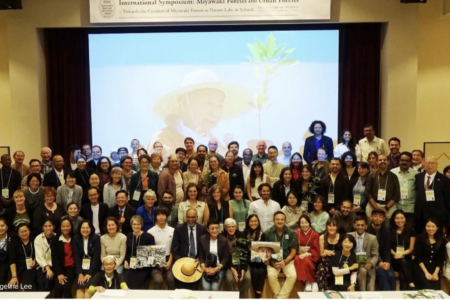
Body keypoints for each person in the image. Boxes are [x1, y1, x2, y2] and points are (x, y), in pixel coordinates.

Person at [262, 211, 297, 299]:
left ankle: (280, 298)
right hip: (272, 260)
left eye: (282, 219)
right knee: (271, 275)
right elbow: (264, 252)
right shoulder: (267, 233)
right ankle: (280, 297)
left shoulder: (291, 233)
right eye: (277, 219)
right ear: (274, 220)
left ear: (285, 221)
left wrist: (285, 261)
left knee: (293, 275)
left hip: (287, 260)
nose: (280, 221)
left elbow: (293, 251)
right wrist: (272, 262)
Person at [171, 208, 208, 289]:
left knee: (193, 288)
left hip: (196, 262)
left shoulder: (202, 229)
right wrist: (179, 262)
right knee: (181, 288)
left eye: (193, 217)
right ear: (185, 217)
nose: (190, 219)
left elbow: (205, 248)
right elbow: (174, 248)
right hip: (182, 262)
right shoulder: (178, 229)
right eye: (188, 217)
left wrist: (200, 260)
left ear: (197, 217)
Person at [414, 156, 450, 233]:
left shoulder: (444, 179)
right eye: (428, 163)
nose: (430, 165)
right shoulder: (418, 177)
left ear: (437, 164)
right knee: (421, 237)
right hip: (420, 215)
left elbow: (447, 199)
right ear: (423, 164)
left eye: (432, 163)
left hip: (436, 215)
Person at [365, 154, 400, 226]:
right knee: (371, 228)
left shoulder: (393, 176)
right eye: (380, 160)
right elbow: (367, 193)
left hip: (389, 206)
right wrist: (376, 208)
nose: (382, 161)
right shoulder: (372, 175)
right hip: (373, 205)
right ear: (377, 162)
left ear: (388, 162)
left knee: (388, 228)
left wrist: (386, 208)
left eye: (384, 160)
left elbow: (397, 195)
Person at [366, 208, 395, 291]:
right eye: (375, 216)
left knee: (390, 275)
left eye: (380, 216)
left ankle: (393, 297)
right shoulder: (367, 231)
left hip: (383, 259)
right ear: (371, 217)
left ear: (384, 219)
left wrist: (388, 262)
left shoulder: (386, 232)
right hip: (371, 260)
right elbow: (369, 251)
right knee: (382, 275)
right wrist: (379, 262)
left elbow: (387, 249)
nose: (378, 218)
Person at [122, 215, 155, 289]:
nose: (136, 226)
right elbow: (127, 251)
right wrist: (126, 261)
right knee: (126, 277)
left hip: (144, 267)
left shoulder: (149, 237)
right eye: (134, 224)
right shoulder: (129, 236)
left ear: (142, 225)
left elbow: (152, 255)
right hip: (131, 265)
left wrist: (143, 265)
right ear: (131, 225)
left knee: (139, 280)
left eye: (138, 224)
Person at [348, 215, 379, 291]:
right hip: (352, 265)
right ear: (354, 226)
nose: (360, 227)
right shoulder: (349, 236)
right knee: (362, 271)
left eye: (362, 225)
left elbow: (375, 255)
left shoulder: (372, 238)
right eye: (358, 225)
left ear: (366, 226)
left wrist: (371, 264)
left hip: (367, 267)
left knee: (371, 291)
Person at [148, 206, 176, 290]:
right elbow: (149, 251)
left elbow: (174, 248)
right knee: (158, 280)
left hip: (169, 258)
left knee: (171, 279)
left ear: (167, 216)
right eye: (159, 215)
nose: (161, 217)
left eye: (163, 215)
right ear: (155, 217)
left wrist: (170, 262)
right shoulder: (150, 232)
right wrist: (157, 262)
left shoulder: (173, 230)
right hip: (154, 261)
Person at [221, 218, 250, 298]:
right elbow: (224, 256)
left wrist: (243, 269)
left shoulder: (241, 236)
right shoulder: (222, 237)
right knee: (230, 279)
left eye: (232, 227)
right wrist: (233, 270)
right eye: (228, 227)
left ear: (236, 227)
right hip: (228, 264)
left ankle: (242, 297)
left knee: (247, 278)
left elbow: (246, 253)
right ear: (225, 228)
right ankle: (232, 298)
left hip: (242, 263)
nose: (231, 229)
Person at [198, 219, 229, 291]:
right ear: (208, 229)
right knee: (206, 287)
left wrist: (217, 269)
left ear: (219, 228)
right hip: (206, 267)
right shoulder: (202, 239)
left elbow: (225, 258)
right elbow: (201, 256)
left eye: (216, 228)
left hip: (219, 267)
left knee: (214, 288)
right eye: (212, 228)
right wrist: (205, 269)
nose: (214, 230)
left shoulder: (223, 240)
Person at [73, 220, 101, 298]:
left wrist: (89, 274)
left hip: (93, 268)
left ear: (91, 228)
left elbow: (96, 258)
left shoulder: (96, 238)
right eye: (83, 228)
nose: (85, 230)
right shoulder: (76, 238)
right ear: (79, 229)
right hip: (81, 268)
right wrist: (80, 273)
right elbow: (76, 257)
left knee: (88, 290)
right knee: (80, 289)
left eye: (87, 228)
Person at [413, 218, 445, 289]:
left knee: (436, 290)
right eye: (428, 226)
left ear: (437, 228)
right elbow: (418, 257)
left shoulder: (441, 240)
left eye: (433, 226)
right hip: (421, 267)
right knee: (427, 287)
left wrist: (436, 273)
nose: (430, 229)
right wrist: (426, 273)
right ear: (425, 227)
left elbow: (440, 259)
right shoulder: (420, 238)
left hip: (434, 268)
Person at [389, 209, 416, 290]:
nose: (399, 220)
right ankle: (411, 283)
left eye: (402, 218)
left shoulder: (411, 231)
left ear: (405, 219)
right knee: (402, 261)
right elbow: (388, 247)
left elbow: (411, 248)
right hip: (394, 258)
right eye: (397, 218)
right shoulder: (390, 231)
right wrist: (396, 254)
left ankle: (403, 296)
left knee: (403, 275)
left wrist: (402, 254)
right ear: (393, 220)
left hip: (407, 257)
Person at [51, 216, 76, 298]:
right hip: (60, 268)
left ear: (71, 226)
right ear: (60, 227)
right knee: (58, 287)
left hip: (71, 267)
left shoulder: (75, 238)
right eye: (63, 226)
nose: (66, 228)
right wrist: (59, 273)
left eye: (68, 226)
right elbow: (54, 258)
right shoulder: (55, 239)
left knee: (66, 286)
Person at [391, 152, 418, 224]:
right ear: (399, 161)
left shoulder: (416, 174)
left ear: (411, 162)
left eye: (407, 160)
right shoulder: (392, 172)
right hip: (395, 207)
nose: (404, 162)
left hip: (410, 207)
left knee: (409, 229)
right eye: (402, 160)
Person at [294, 214, 320, 292]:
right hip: (299, 254)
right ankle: (307, 281)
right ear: (299, 224)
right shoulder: (296, 233)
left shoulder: (315, 234)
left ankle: (312, 281)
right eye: (302, 223)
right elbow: (294, 246)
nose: (304, 225)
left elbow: (316, 249)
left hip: (311, 255)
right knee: (297, 259)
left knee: (307, 260)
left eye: (306, 222)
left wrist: (306, 254)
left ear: (309, 223)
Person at [8, 223, 36, 290]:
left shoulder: (34, 240)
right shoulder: (13, 243)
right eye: (21, 232)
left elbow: (39, 254)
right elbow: (12, 260)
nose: (24, 233)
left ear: (29, 231)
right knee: (11, 287)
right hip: (17, 267)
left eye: (25, 231)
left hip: (30, 267)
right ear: (18, 233)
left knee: (30, 287)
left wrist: (35, 261)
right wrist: (14, 276)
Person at [316, 218, 342, 291]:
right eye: (329, 226)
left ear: (337, 227)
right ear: (326, 226)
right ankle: (323, 292)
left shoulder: (341, 237)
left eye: (334, 226)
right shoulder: (322, 237)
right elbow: (321, 254)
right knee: (321, 270)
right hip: (326, 262)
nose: (331, 228)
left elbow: (343, 252)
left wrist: (330, 252)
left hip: (338, 262)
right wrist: (325, 252)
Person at [244, 214, 265, 298]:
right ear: (248, 222)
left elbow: (265, 249)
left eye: (255, 221)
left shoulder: (262, 234)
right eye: (251, 221)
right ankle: (256, 295)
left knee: (261, 271)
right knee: (254, 271)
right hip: (249, 260)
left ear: (258, 222)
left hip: (260, 259)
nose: (253, 223)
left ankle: (258, 294)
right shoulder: (244, 233)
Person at [34, 218, 56, 292]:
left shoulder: (57, 237)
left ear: (54, 226)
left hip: (54, 265)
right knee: (41, 282)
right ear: (42, 228)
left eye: (50, 226)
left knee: (48, 280)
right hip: (42, 266)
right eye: (45, 226)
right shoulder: (38, 239)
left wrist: (50, 268)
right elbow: (39, 256)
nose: (48, 228)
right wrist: (47, 268)